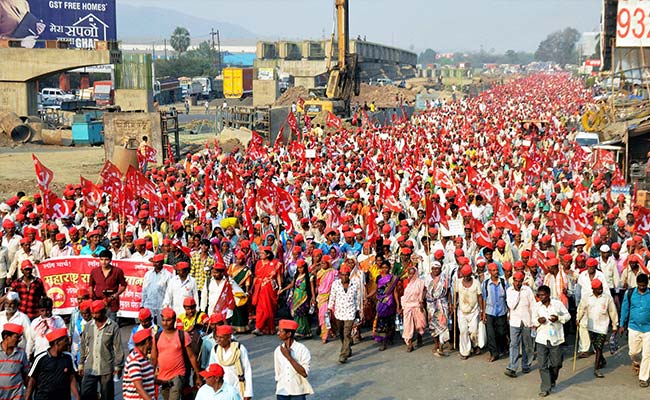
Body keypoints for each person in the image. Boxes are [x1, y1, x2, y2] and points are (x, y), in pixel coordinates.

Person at [78, 300, 124, 400]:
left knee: (107, 396)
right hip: (90, 367)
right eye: (93, 313)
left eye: (97, 313)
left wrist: (118, 366)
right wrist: (81, 363)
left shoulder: (113, 326)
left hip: (106, 368)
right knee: (86, 394)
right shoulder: (88, 326)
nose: (94, 316)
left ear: (104, 311)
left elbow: (118, 348)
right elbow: (83, 346)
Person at [153, 307, 202, 400]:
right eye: (163, 320)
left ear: (174, 320)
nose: (165, 323)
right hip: (162, 377)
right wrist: (151, 375)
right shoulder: (157, 336)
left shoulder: (183, 335)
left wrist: (198, 376)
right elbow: (154, 358)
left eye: (168, 320)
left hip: (178, 376)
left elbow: (191, 356)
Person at [533, 285, 570, 397]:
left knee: (556, 363)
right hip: (542, 339)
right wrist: (538, 321)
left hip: (556, 338)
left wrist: (558, 318)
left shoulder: (557, 304)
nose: (541, 297)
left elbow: (567, 316)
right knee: (542, 364)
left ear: (548, 295)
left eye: (543, 295)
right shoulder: (537, 306)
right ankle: (545, 387)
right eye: (539, 295)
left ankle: (551, 379)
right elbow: (533, 320)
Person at [577, 278, 618, 378]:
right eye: (598, 289)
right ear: (593, 289)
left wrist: (614, 324)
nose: (600, 290)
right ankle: (602, 360)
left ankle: (596, 368)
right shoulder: (587, 297)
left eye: (601, 288)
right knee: (595, 346)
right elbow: (581, 308)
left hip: (602, 326)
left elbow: (612, 311)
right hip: (591, 326)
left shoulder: (607, 297)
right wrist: (578, 318)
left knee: (599, 347)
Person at [26, 328, 79, 400]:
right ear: (57, 342)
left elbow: (71, 378)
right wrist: (28, 398)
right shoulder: (40, 358)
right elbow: (32, 380)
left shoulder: (68, 357)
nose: (68, 343)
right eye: (65, 340)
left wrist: (77, 397)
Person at [618, 273, 650, 387]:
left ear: (647, 284)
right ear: (637, 284)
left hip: (648, 329)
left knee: (647, 354)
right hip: (634, 327)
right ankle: (636, 362)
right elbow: (624, 309)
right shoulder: (630, 293)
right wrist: (621, 325)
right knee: (633, 352)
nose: (642, 288)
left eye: (644, 286)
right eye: (640, 285)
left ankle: (643, 378)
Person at [504, 271, 536, 378]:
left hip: (526, 320)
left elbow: (533, 305)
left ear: (522, 281)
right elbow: (511, 305)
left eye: (520, 281)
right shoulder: (509, 291)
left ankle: (526, 365)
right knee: (514, 344)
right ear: (513, 281)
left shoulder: (527, 290)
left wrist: (533, 321)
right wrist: (518, 292)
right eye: (516, 281)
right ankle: (512, 367)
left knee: (526, 344)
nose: (517, 283)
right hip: (514, 321)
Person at [209, 325, 253, 399]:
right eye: (217, 337)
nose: (218, 340)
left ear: (229, 338)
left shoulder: (239, 349)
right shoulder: (215, 349)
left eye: (221, 337)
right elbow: (211, 368)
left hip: (237, 389)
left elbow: (247, 371)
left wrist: (248, 392)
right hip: (221, 390)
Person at [274, 319, 313, 400]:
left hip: (297, 391)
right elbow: (278, 372)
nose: (278, 333)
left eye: (281, 331)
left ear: (289, 334)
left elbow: (304, 373)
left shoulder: (302, 349)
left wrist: (289, 357)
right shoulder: (278, 350)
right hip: (282, 391)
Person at [327, 264, 359, 363]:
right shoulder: (335, 284)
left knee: (347, 333)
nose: (344, 277)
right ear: (340, 275)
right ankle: (347, 347)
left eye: (346, 275)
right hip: (339, 313)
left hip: (350, 312)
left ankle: (343, 354)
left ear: (349, 275)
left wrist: (358, 311)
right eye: (343, 275)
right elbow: (332, 297)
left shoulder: (354, 285)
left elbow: (357, 299)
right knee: (341, 332)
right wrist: (328, 309)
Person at [368, 260, 400, 351]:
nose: (384, 269)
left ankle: (386, 340)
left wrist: (398, 305)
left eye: (386, 267)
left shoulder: (392, 278)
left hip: (389, 302)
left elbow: (395, 292)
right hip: (380, 302)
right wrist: (368, 296)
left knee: (389, 321)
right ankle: (383, 340)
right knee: (381, 321)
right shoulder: (378, 278)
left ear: (389, 268)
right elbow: (375, 289)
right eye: (383, 267)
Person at [89, 250, 127, 322]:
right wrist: (92, 295)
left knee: (111, 325)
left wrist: (115, 295)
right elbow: (91, 285)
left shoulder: (117, 271)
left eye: (106, 259)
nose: (104, 262)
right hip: (98, 302)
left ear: (110, 260)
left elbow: (123, 285)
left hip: (112, 303)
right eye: (102, 259)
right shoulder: (94, 271)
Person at [252, 247, 282, 336]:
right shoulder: (258, 263)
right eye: (260, 253)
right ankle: (258, 327)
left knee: (268, 308)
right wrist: (251, 288)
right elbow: (256, 277)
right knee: (260, 309)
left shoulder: (275, 264)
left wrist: (280, 287)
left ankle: (268, 328)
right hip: (259, 288)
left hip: (269, 288)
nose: (260, 255)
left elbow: (278, 276)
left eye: (262, 253)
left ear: (268, 254)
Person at [482, 262, 509, 362]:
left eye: (497, 270)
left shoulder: (503, 282)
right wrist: (483, 312)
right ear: (489, 272)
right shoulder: (486, 284)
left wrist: (509, 311)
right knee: (491, 334)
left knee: (501, 332)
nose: (496, 272)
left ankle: (502, 348)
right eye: (493, 270)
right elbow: (484, 298)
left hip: (502, 311)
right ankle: (493, 353)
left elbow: (508, 297)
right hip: (490, 312)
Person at [456, 264, 484, 359]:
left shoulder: (476, 283)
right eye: (464, 275)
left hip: (474, 311)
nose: (466, 277)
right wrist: (453, 304)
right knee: (463, 331)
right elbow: (455, 294)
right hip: (462, 311)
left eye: (468, 275)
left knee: (473, 331)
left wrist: (482, 311)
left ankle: (475, 345)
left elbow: (480, 297)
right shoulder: (458, 282)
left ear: (471, 274)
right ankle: (465, 352)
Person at [425, 261, 451, 357]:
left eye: (437, 269)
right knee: (432, 325)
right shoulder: (427, 278)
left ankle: (441, 346)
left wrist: (450, 303)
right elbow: (425, 290)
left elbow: (448, 292)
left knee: (443, 324)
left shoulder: (444, 278)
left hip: (442, 303)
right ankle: (436, 343)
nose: (435, 270)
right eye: (434, 269)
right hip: (431, 304)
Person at [123, 328, 155, 400]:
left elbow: (146, 378)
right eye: (151, 340)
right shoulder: (135, 360)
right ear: (147, 341)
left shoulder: (144, 357)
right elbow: (139, 388)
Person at [400, 265, 426, 352]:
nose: (411, 275)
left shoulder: (420, 282)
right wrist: (402, 306)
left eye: (412, 273)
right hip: (407, 306)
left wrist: (421, 301)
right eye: (409, 274)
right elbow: (403, 295)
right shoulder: (406, 282)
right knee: (408, 326)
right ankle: (410, 344)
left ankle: (419, 337)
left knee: (420, 324)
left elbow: (423, 291)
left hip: (417, 304)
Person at [287, 259, 315, 338]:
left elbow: (312, 288)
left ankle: (302, 330)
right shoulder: (296, 276)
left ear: (304, 267)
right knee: (296, 314)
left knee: (302, 314)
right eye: (298, 268)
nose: (300, 269)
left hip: (304, 297)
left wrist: (313, 297)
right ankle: (304, 331)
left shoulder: (309, 276)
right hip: (296, 296)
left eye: (301, 268)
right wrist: (283, 289)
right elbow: (292, 285)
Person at [0, 323, 28, 400]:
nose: (19, 340)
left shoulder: (21, 353)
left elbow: (26, 374)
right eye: (16, 337)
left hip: (17, 394)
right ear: (6, 337)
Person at [142, 253, 172, 323]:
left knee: (162, 326)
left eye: (157, 262)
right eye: (154, 262)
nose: (155, 264)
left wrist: (168, 306)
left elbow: (170, 292)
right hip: (149, 305)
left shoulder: (168, 275)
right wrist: (142, 304)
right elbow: (144, 290)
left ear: (162, 263)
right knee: (149, 326)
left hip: (161, 306)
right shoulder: (148, 274)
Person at [228, 251, 253, 333]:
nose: (238, 261)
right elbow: (228, 277)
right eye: (237, 259)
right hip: (232, 289)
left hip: (240, 291)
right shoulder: (232, 267)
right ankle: (234, 326)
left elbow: (247, 282)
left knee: (241, 309)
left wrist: (246, 291)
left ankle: (242, 327)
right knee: (233, 309)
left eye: (240, 259)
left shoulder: (246, 270)